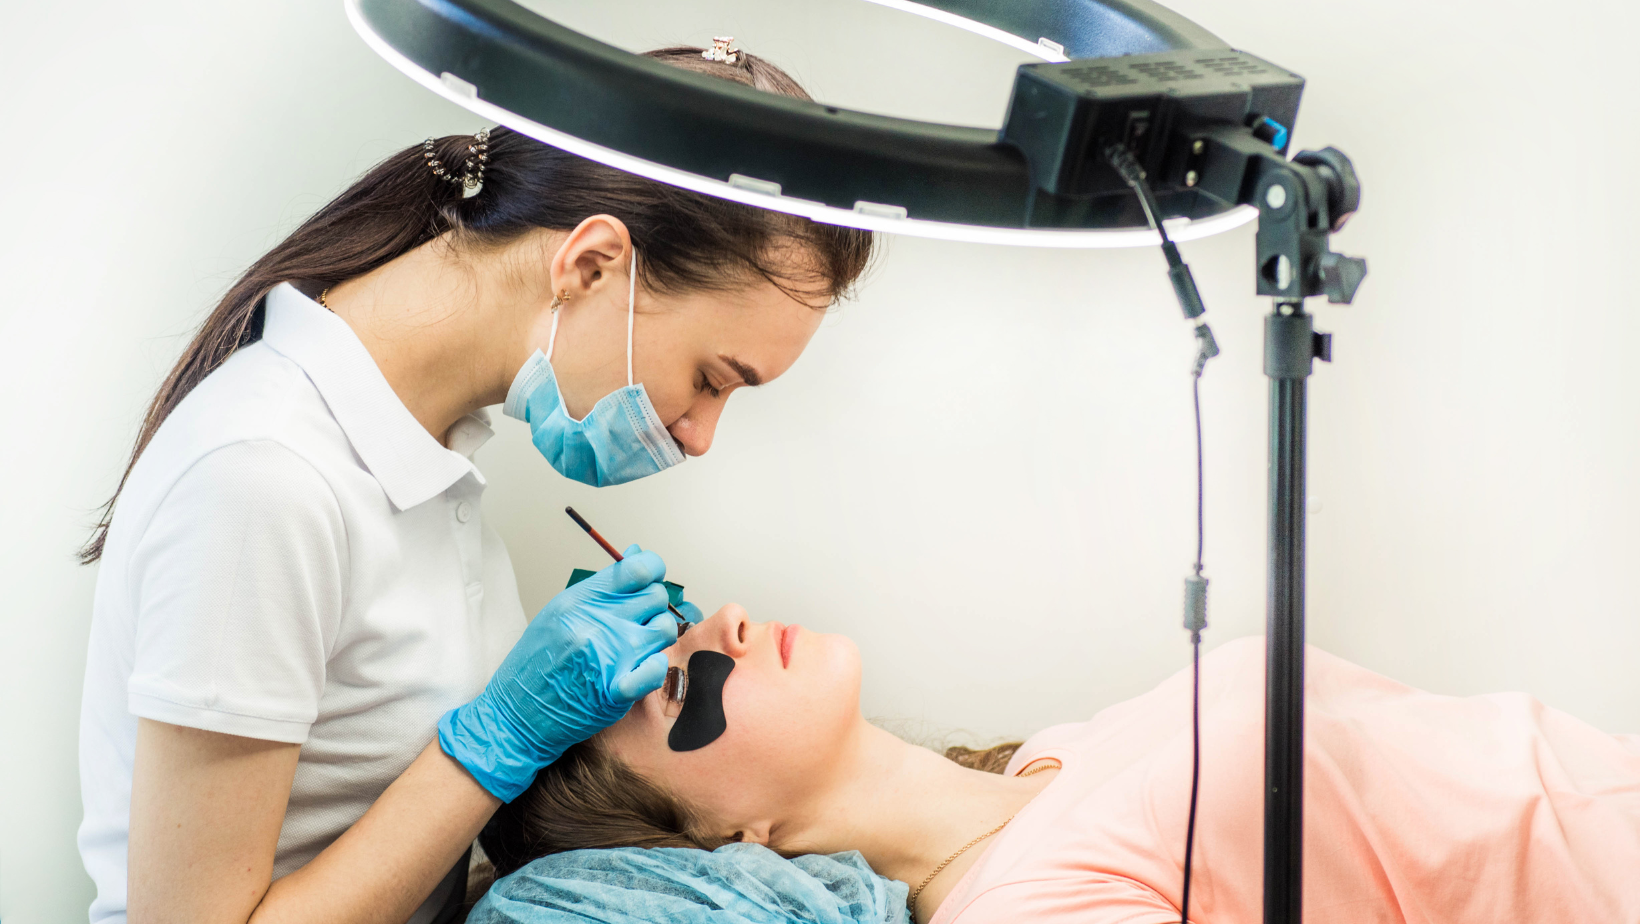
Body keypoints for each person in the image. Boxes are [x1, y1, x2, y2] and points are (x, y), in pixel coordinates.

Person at [76, 43, 874, 924]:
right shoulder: (266, 479)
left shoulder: (426, 451)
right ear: (591, 264)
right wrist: (500, 738)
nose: (700, 435)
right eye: (713, 379)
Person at [476, 605, 1640, 924]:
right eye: (684, 684)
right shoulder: (1028, 908)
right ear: (733, 846)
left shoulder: (1044, 763)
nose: (722, 622)